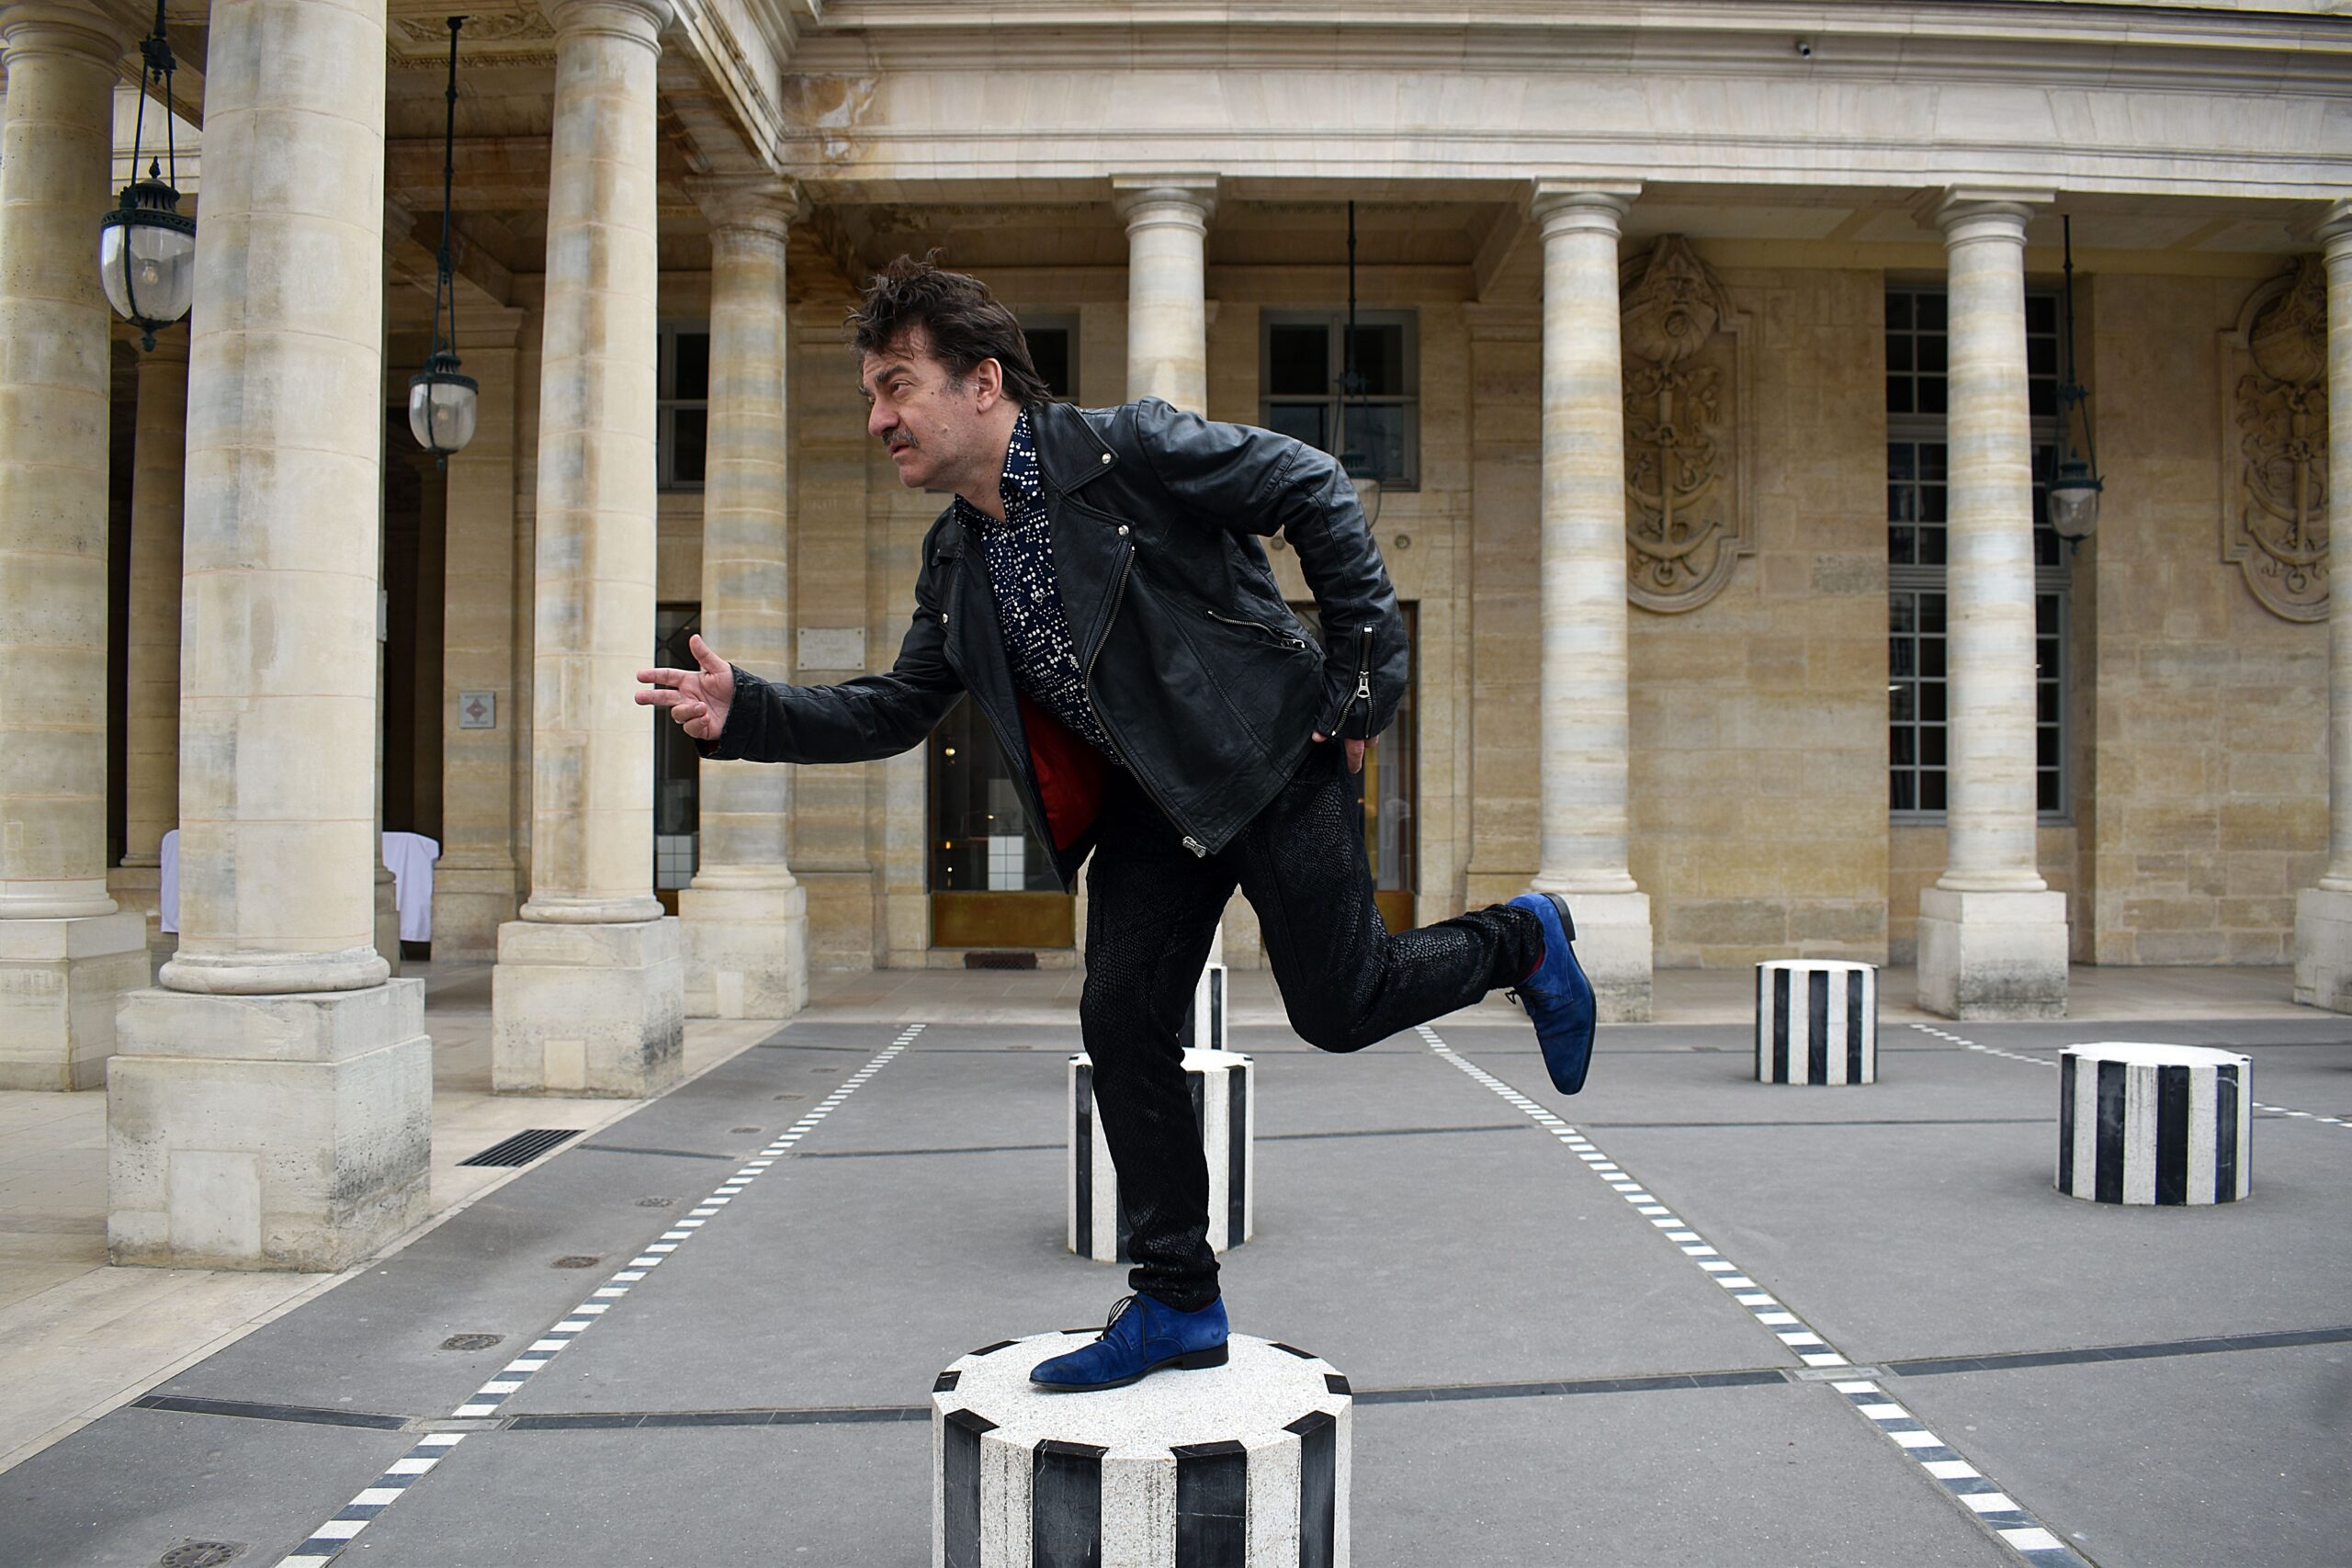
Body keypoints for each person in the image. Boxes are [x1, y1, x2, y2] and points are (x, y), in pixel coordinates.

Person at [637, 255, 1595, 1393]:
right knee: (1121, 1013)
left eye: (897, 386)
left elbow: (1313, 485)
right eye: (871, 396)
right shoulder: (958, 558)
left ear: (982, 383)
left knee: (1342, 1009)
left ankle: (1523, 939)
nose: (880, 416)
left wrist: (1360, 691)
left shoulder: (1123, 451)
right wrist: (747, 710)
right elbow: (896, 708)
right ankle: (1178, 1301)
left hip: (1267, 760)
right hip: (1152, 807)